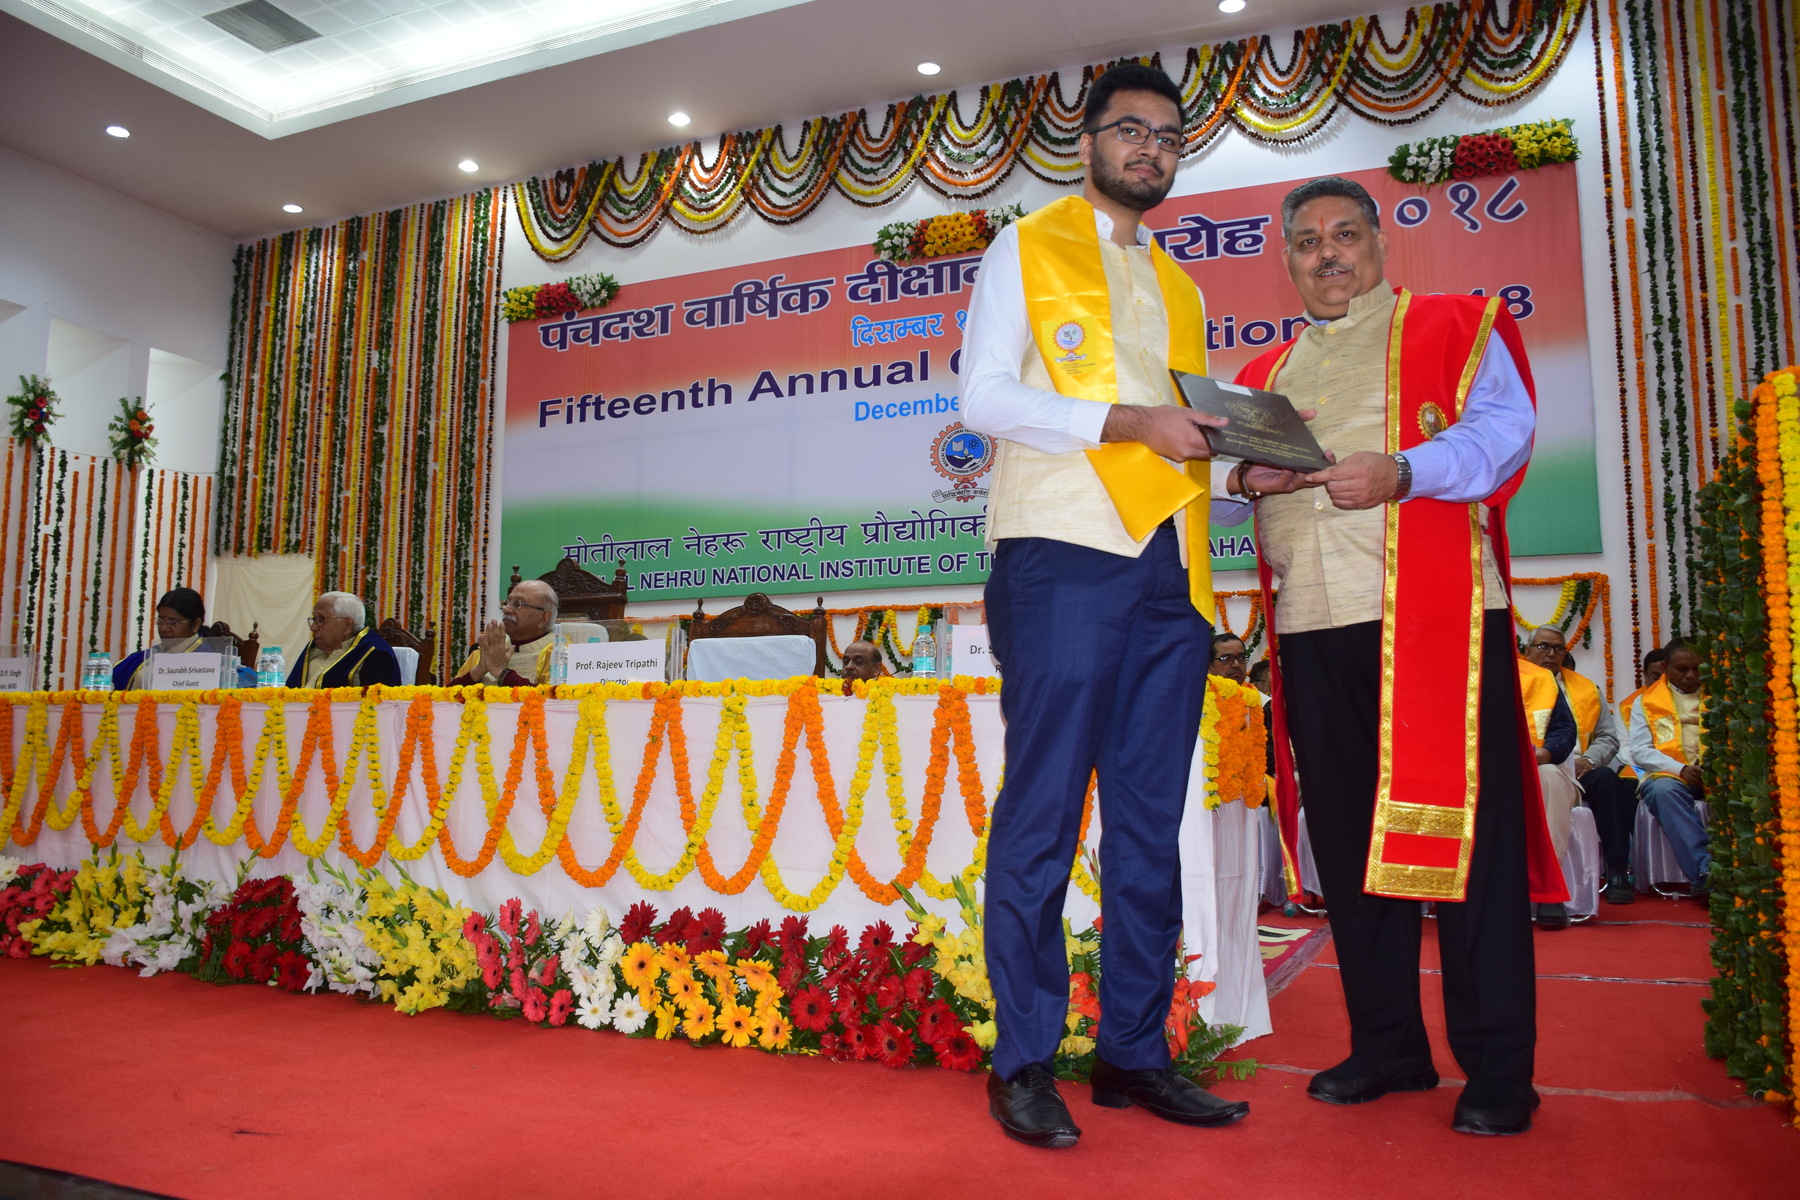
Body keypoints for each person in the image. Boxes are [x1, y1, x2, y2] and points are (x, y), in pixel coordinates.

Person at [1222, 175, 1565, 1136]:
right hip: (1311, 625)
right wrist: (1244, 477)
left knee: (1468, 847)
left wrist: (1406, 472)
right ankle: (1387, 1046)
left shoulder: (1454, 326)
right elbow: (1223, 485)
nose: (1327, 255)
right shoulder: (1264, 372)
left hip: (1434, 620)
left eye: (1344, 235)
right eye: (1307, 242)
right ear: (1288, 261)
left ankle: (1499, 1069)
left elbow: (1503, 438)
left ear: (1379, 242)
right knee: (1349, 846)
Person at [961, 61, 1249, 1148]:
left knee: (1146, 821)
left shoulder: (1183, 287)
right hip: (1062, 554)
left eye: (1169, 138)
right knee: (1042, 813)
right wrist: (1127, 423)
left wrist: (1250, 461)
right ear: (1086, 141)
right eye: (1131, 130)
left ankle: (1134, 1052)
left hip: (1172, 572)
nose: (1150, 150)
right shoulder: (1026, 246)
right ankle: (1024, 1061)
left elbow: (1185, 431)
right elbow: (982, 397)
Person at [1523, 626, 1637, 905]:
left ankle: (1617, 871)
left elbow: (1608, 736)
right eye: (1543, 647)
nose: (1551, 654)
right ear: (1527, 651)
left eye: (1558, 648)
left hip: (1579, 767)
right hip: (1530, 767)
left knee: (1607, 779)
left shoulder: (1587, 689)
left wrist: (1590, 759)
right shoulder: (1517, 681)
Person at [1628, 640, 1709, 895]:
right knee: (1664, 791)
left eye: (1697, 669)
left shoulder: (1722, 696)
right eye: (1682, 669)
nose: (1691, 676)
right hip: (1671, 776)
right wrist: (1681, 769)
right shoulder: (1646, 702)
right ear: (1666, 667)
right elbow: (1639, 750)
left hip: (1716, 773)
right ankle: (1705, 872)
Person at [1515, 653, 1579, 928]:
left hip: (1535, 765)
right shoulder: (1461, 670)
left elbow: (1564, 729)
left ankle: (1548, 887)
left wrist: (1547, 752)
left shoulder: (1540, 678)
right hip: (1479, 767)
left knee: (1551, 777)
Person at [112, 588, 255, 690]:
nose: (163, 628)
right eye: (160, 620)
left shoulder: (209, 661)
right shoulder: (145, 657)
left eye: (173, 622)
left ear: (196, 624)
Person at [450, 580, 558, 686]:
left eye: (518, 604)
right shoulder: (489, 648)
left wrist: (501, 671)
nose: (506, 609)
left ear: (543, 618)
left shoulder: (558, 653)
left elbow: (553, 696)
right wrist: (479, 670)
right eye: (507, 602)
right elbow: (448, 695)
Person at [286, 591, 401, 689]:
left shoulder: (375, 653)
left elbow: (376, 705)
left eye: (320, 620)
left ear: (347, 626)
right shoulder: (313, 648)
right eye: (314, 619)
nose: (313, 627)